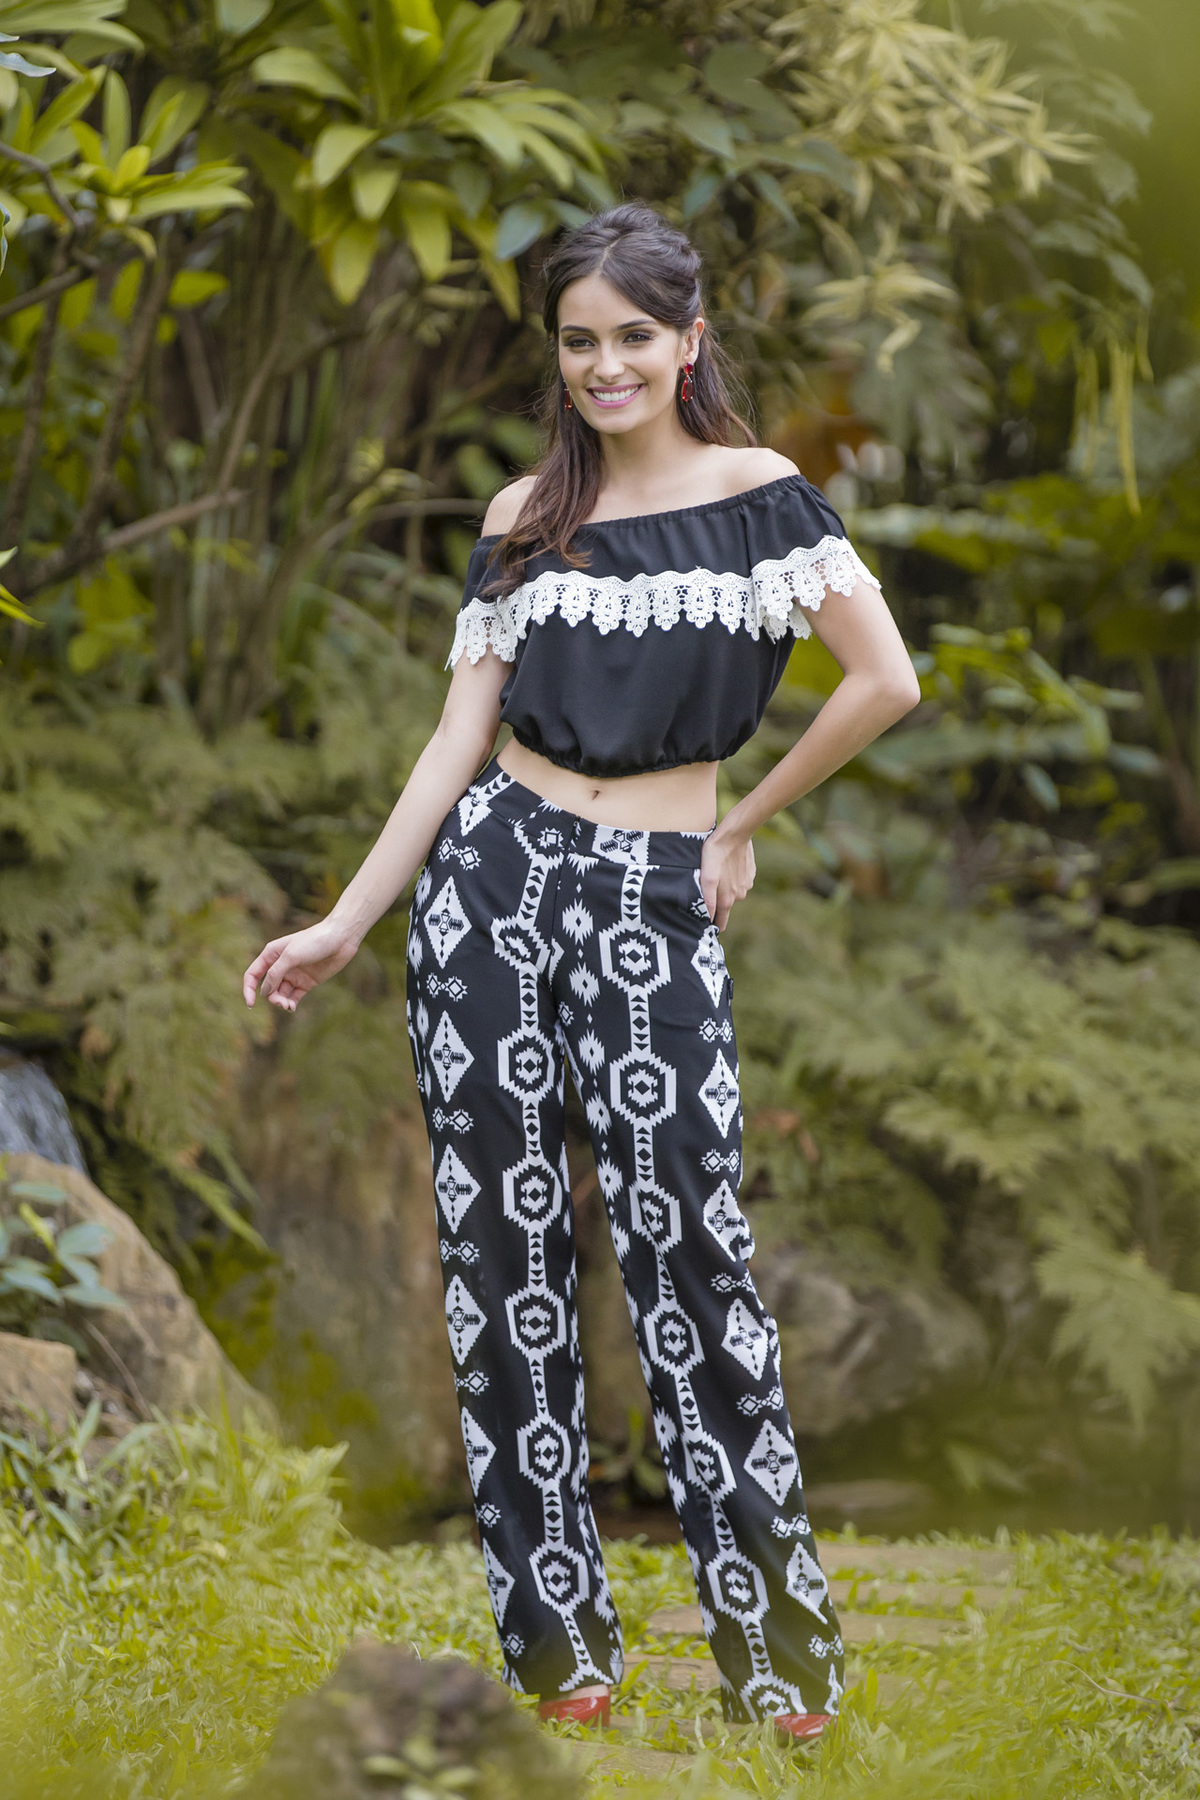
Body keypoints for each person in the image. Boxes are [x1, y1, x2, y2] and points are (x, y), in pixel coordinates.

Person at [243, 203, 920, 1744]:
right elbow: (455, 742)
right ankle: (564, 1659)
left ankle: (782, 1666)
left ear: (689, 342)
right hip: (491, 883)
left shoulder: (763, 499)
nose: (605, 365)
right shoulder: (525, 514)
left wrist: (739, 827)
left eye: (633, 336)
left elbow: (885, 680)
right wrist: (348, 920)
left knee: (693, 1249)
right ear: (555, 353)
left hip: (654, 888)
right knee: (503, 1259)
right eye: (578, 340)